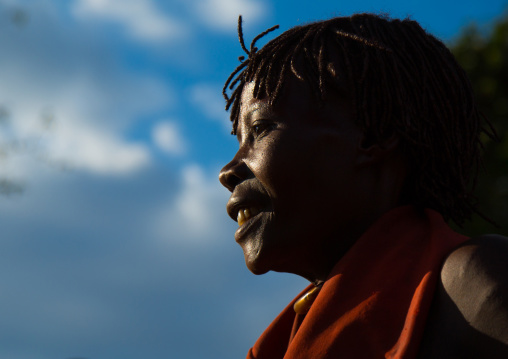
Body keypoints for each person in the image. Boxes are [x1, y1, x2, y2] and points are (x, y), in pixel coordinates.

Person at [218, 13, 508, 358]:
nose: (228, 171)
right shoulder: (278, 344)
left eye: (261, 129)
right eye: (239, 141)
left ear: (373, 135)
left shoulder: (470, 284)